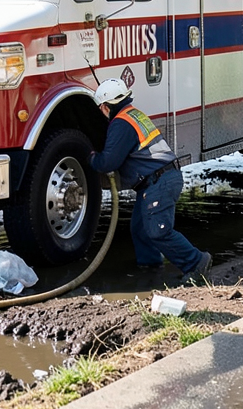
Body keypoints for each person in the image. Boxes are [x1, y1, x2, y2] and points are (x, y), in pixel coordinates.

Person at [88, 78, 212, 283]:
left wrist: (91, 157)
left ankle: (196, 262)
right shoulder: (133, 115)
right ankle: (150, 268)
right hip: (160, 178)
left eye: (101, 108)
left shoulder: (120, 123)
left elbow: (108, 162)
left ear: (105, 106)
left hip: (159, 181)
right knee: (140, 229)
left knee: (158, 231)